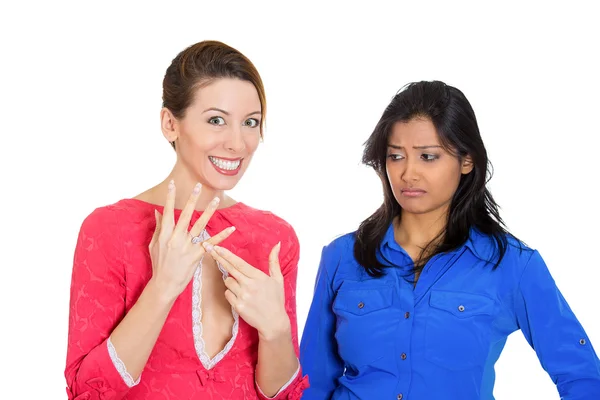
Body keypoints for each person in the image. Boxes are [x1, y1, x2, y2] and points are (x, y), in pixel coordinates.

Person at [299, 80, 600, 399]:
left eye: (428, 156)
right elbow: (311, 382)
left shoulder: (512, 265)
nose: (408, 173)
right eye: (396, 156)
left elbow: (582, 376)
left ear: (466, 160)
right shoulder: (343, 256)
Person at [64, 40, 309, 400]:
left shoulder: (274, 238)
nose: (238, 144)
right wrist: (162, 288)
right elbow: (88, 392)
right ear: (170, 124)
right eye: (216, 120)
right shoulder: (109, 230)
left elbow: (280, 394)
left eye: (251, 123)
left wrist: (275, 330)